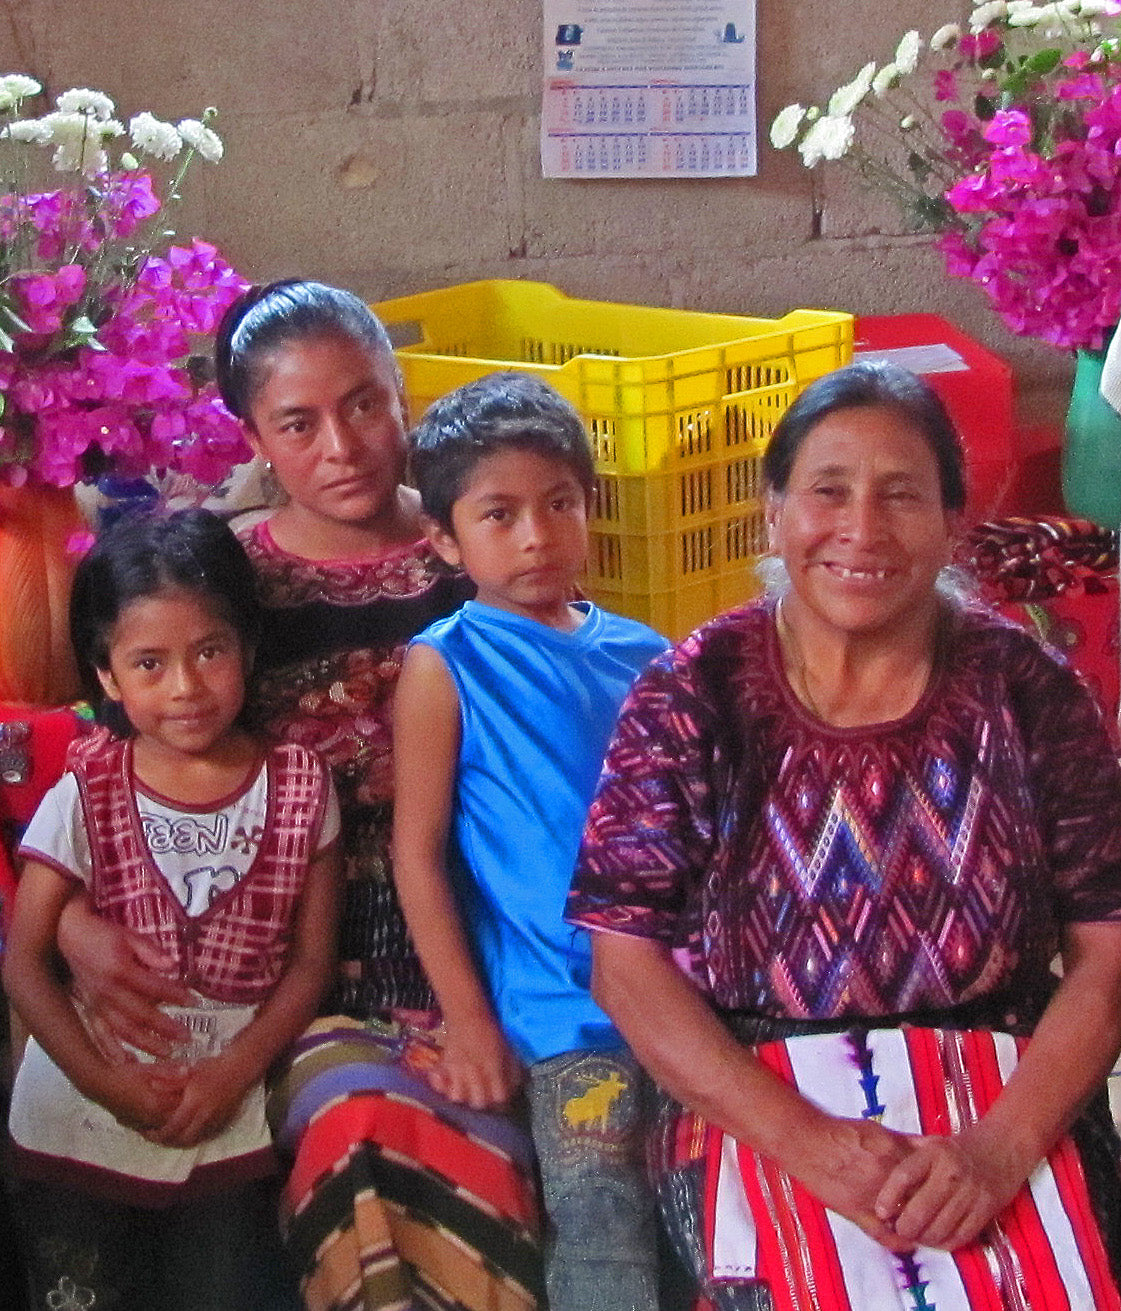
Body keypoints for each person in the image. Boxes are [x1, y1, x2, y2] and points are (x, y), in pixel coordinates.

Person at [566, 361, 1121, 1311]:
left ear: (954, 518)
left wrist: (994, 1151)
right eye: (828, 491)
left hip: (998, 1075)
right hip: (759, 1086)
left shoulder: (1025, 691)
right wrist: (806, 1142)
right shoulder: (693, 691)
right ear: (773, 511)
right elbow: (627, 964)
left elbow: (1109, 955)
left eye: (901, 494)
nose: (860, 529)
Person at [56, 282, 543, 1311]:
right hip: (279, 964)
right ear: (254, 440)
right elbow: (112, 768)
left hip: (481, 943)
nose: (344, 445)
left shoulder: (479, 550)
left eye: (366, 403)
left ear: (402, 393)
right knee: (348, 1133)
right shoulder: (218, 589)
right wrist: (77, 929)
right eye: (298, 422)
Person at [3, 508, 339, 1311]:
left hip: (225, 1119)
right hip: (76, 1120)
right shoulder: (89, 785)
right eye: (148, 662)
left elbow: (311, 962)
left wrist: (234, 1069)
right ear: (109, 676)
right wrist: (102, 1081)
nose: (185, 686)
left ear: (247, 648)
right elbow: (24, 958)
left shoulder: (299, 784)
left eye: (209, 651)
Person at [394, 372, 670, 1310]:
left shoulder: (646, 654)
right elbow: (418, 856)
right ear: (442, 537)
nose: (536, 536)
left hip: (683, 994)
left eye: (558, 504)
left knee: (711, 1196)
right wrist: (471, 1019)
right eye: (499, 514)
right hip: (562, 1012)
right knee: (600, 1215)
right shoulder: (444, 667)